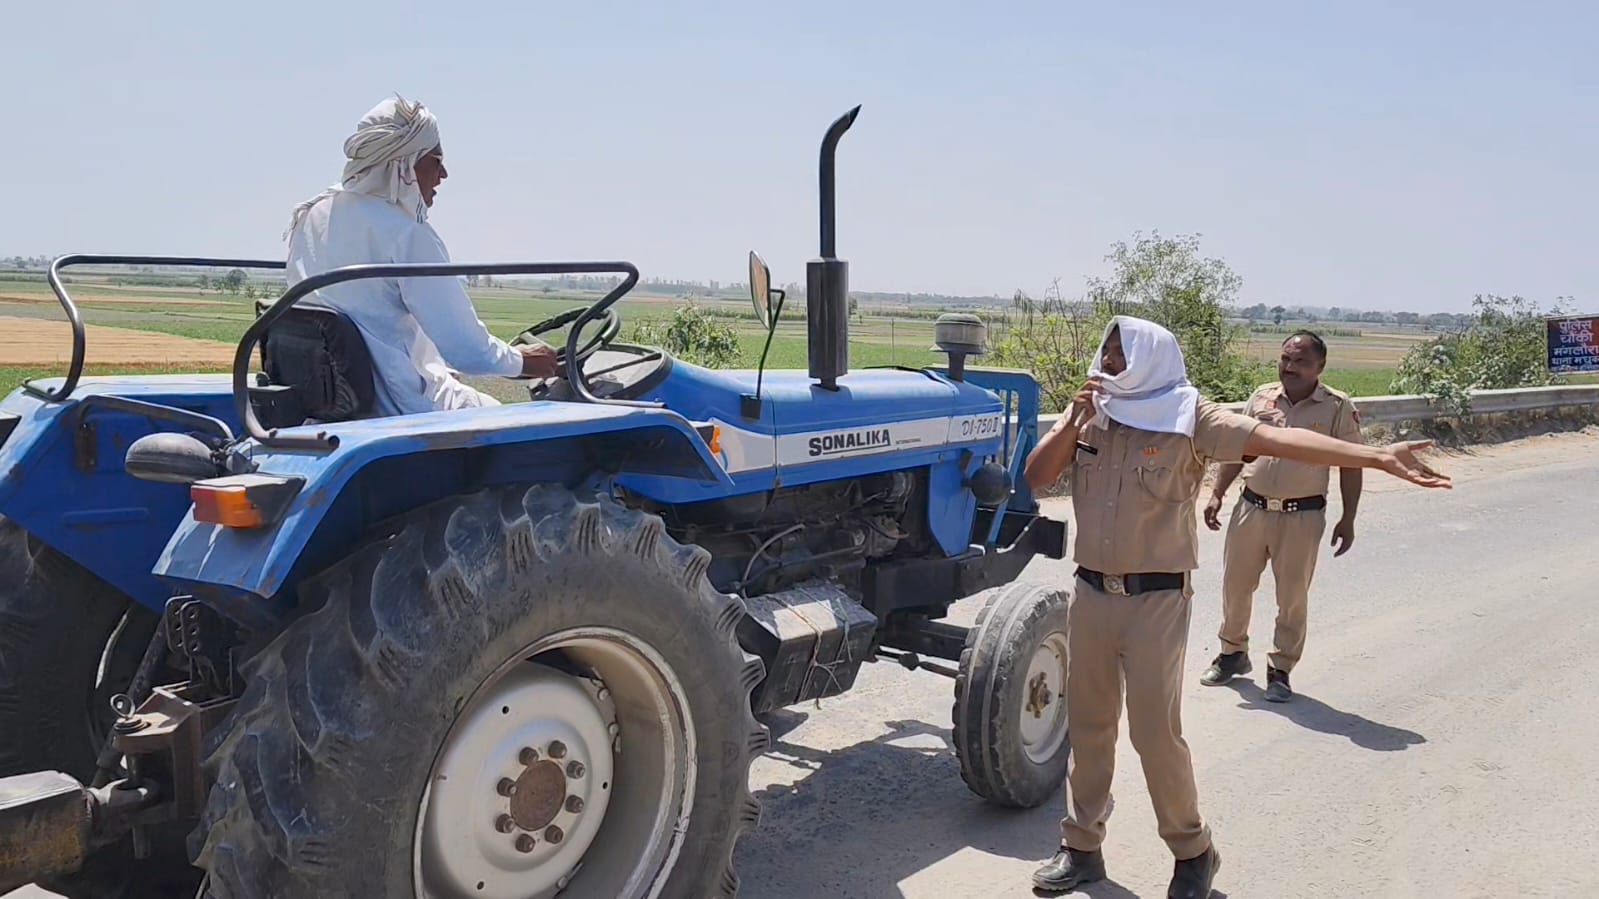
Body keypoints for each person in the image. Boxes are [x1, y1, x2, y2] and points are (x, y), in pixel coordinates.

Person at [1022, 316, 1449, 898]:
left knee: (1154, 735)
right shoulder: (1095, 414)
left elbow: (1278, 439)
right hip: (1092, 592)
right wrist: (1073, 420)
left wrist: (1371, 458)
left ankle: (1193, 851)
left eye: (1123, 354)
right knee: (1091, 727)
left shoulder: (1190, 416)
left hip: (1156, 599)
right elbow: (1036, 476)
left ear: (1151, 358)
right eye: (1108, 352)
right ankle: (1082, 847)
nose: (1110, 362)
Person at [284, 95, 558, 417]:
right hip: (399, 408)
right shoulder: (406, 234)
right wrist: (528, 362)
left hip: (327, 403)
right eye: (436, 160)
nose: (443, 175)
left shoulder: (311, 216)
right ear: (406, 164)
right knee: (506, 420)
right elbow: (467, 351)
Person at [1199, 331, 1362, 701]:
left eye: (1301, 361)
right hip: (1251, 508)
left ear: (1319, 367)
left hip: (1301, 516)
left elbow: (1353, 465)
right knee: (1235, 587)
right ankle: (1232, 654)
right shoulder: (1261, 397)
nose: (1290, 367)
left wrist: (1348, 517)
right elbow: (1238, 449)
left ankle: (1281, 668)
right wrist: (1218, 492)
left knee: (1291, 597)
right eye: (1286, 359)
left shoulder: (1336, 407)